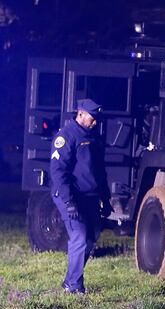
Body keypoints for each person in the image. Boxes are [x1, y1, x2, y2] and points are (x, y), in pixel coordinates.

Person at [49, 98, 113, 294]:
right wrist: (69, 202)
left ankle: (70, 281)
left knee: (91, 238)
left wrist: (106, 198)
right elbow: (58, 172)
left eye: (97, 119)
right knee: (79, 236)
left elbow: (99, 172)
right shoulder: (66, 136)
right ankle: (76, 287)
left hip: (90, 196)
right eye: (92, 118)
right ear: (80, 114)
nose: (95, 122)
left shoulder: (95, 138)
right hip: (71, 196)